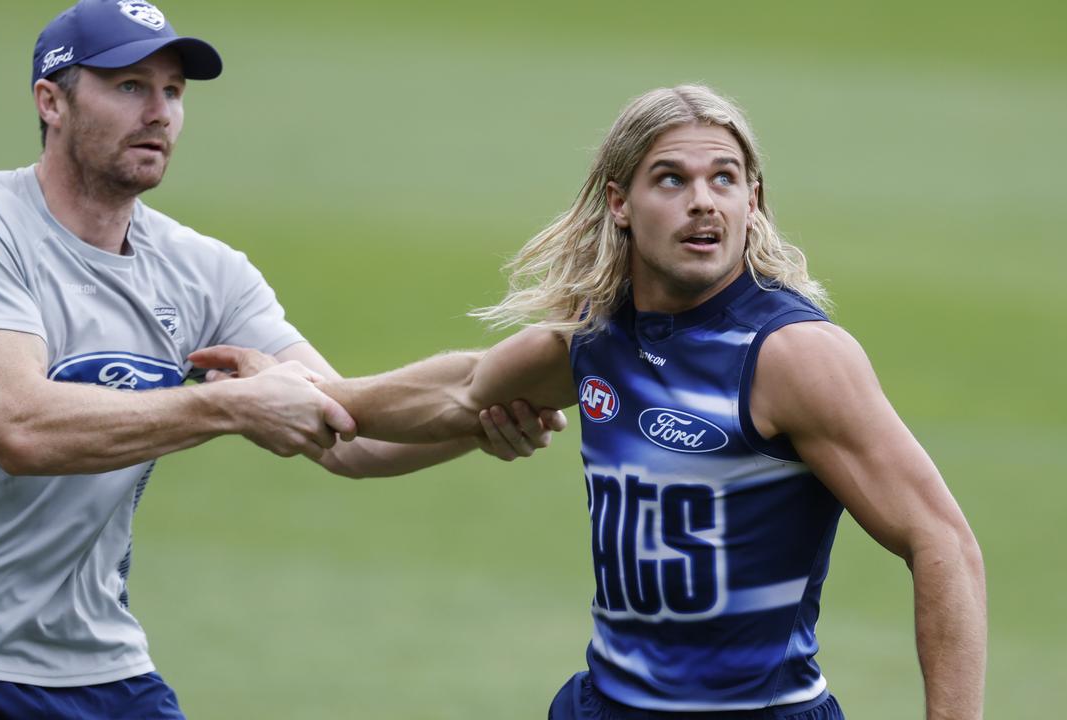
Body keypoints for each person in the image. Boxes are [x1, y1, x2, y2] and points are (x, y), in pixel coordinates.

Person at [0, 1, 561, 718]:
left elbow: (350, 430)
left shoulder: (203, 272)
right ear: (51, 101)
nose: (159, 112)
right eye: (129, 86)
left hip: (99, 664)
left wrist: (481, 407)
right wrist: (226, 406)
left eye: (173, 91)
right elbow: (21, 427)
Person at [194, 84, 987, 719]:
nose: (703, 201)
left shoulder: (794, 357)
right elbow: (445, 396)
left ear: (754, 202)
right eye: (671, 180)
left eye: (725, 179)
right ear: (619, 202)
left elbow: (943, 542)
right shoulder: (591, 342)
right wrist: (285, 392)